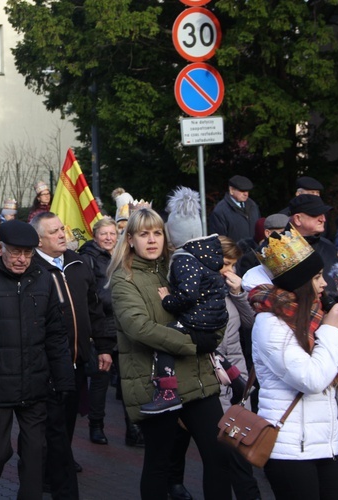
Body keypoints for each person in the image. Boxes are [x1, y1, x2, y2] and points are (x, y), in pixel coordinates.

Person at [108, 207, 230, 499]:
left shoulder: (181, 267)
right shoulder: (124, 280)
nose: (152, 240)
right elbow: (139, 328)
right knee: (159, 464)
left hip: (198, 380)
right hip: (155, 385)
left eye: (157, 233)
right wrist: (192, 343)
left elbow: (211, 309)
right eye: (143, 234)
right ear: (131, 240)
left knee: (219, 457)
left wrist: (211, 336)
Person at [0, 219, 74, 499]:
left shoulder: (43, 278)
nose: (22, 259)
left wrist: (63, 378)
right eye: (15, 252)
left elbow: (56, 334)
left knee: (36, 457)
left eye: (28, 253)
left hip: (35, 384)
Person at [251, 226, 338, 499]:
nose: (324, 283)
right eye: (316, 277)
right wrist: (332, 331)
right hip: (290, 449)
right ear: (299, 283)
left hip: (325, 444)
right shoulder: (269, 324)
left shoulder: (311, 317)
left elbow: (324, 373)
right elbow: (311, 379)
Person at [30, 212, 111, 497]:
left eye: (62, 229)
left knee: (66, 421)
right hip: (46, 366)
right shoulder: (32, 269)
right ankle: (48, 474)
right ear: (39, 239)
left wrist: (102, 346)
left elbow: (94, 308)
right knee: (48, 425)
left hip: (77, 360)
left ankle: (58, 466)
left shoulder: (78, 264)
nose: (63, 234)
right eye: (54, 232)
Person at [147, 187, 230, 413]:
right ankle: (234, 376)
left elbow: (188, 294)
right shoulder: (206, 254)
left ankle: (167, 391)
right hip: (215, 319)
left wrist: (168, 301)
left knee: (165, 341)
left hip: (197, 320)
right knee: (207, 346)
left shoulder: (184, 259)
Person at [78, 216, 122, 445]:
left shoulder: (123, 255)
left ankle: (134, 429)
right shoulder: (88, 259)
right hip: (100, 327)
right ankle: (97, 425)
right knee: (100, 378)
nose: (108, 238)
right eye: (104, 234)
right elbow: (89, 294)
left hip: (124, 326)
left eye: (112, 234)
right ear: (95, 236)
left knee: (127, 380)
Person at [208, 175, 261, 243]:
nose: (246, 194)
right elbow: (219, 241)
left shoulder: (253, 205)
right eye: (242, 191)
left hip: (254, 252)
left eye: (247, 191)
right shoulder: (220, 211)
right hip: (234, 252)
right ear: (231, 190)